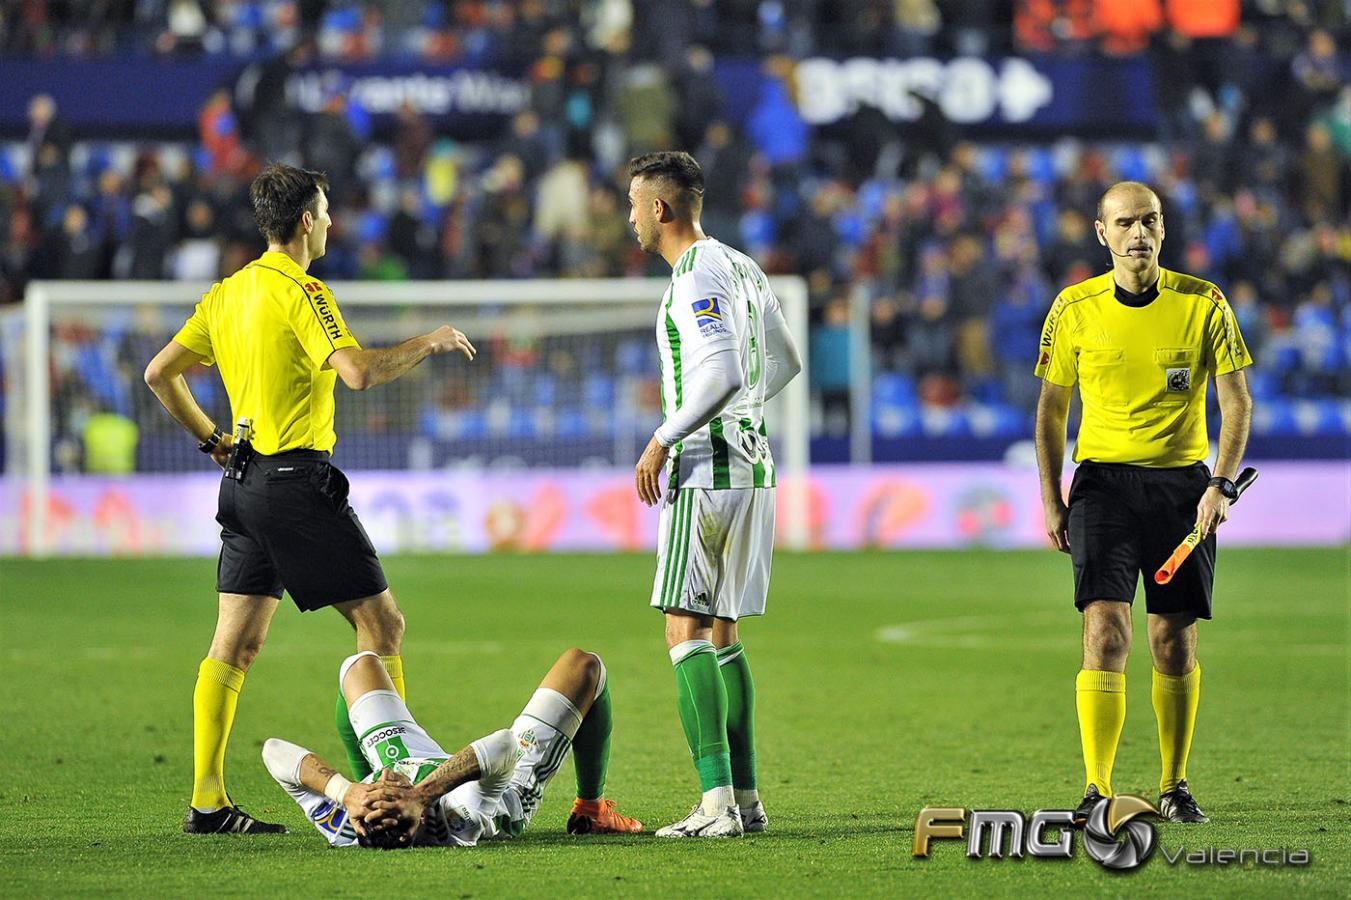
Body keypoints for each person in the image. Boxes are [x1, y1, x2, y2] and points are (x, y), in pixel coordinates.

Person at [143, 163, 477, 834]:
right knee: (382, 627)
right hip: (295, 482)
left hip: (240, 485)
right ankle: (398, 784)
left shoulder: (227, 292)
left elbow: (159, 374)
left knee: (232, 645)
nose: (329, 223)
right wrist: (428, 342)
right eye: (324, 213)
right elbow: (356, 373)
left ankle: (207, 801)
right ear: (304, 221)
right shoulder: (303, 289)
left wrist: (212, 439)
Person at [1033, 181, 1253, 824]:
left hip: (1182, 488)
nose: (1139, 234)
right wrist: (1053, 496)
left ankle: (1174, 784)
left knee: (1173, 641)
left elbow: (1236, 401)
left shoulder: (1204, 302)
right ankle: (1097, 790)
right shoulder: (1073, 308)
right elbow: (1052, 408)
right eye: (1125, 223)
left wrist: (1221, 482)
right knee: (1104, 630)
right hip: (1101, 484)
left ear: (1163, 227)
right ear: (1101, 233)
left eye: (1150, 221)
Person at [627, 151, 802, 838]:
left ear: (662, 209)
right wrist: (742, 423)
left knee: (683, 630)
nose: (630, 217)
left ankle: (715, 804)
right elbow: (783, 360)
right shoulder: (739, 264)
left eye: (635, 204)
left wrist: (662, 438)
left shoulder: (695, 274)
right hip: (752, 468)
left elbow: (726, 371)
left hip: (709, 472)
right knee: (723, 634)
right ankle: (746, 800)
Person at [261, 647, 643, 846]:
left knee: (358, 665)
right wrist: (421, 793)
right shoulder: (462, 819)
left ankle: (371, 774)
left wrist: (349, 790)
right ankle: (591, 810)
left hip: (414, 761)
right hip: (502, 784)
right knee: (584, 666)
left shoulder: (350, 825)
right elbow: (503, 746)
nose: (386, 784)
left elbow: (273, 750)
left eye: (379, 794)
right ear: (417, 821)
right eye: (393, 796)